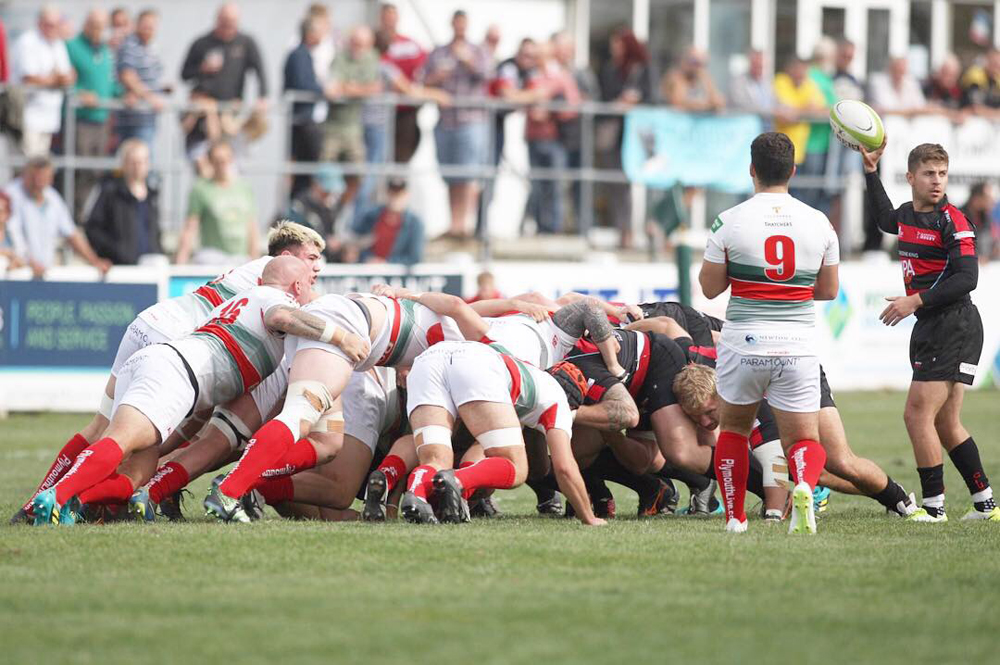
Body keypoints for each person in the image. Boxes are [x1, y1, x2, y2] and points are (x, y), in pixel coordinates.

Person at [9, 223, 325, 524]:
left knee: (105, 430)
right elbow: (310, 312)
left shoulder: (256, 270)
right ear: (287, 257)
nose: (316, 268)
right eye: (311, 258)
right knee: (139, 439)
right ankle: (74, 499)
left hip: (151, 323)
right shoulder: (280, 276)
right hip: (176, 341)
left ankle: (46, 502)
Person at [699, 132, 840, 534]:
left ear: (751, 169)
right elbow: (828, 290)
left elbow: (710, 288)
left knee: (734, 430)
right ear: (793, 170)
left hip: (744, 342)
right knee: (804, 440)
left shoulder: (729, 220)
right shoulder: (819, 222)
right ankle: (805, 486)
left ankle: (735, 518)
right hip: (797, 342)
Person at [862, 140, 998, 522]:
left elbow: (968, 277)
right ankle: (985, 504)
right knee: (945, 423)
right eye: (928, 174)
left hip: (954, 323)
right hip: (937, 325)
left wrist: (916, 301)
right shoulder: (907, 215)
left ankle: (934, 508)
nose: (937, 181)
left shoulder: (952, 221)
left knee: (916, 415)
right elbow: (884, 218)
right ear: (911, 178)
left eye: (942, 174)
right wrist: (870, 171)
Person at [400, 341, 602, 526]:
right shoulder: (559, 401)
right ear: (573, 402)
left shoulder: (532, 373)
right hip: (476, 364)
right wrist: (588, 516)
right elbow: (564, 467)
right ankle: (456, 480)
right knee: (515, 466)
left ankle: (417, 493)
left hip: (429, 359)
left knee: (435, 459)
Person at [422, 10, 491, 239]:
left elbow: (487, 75)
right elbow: (423, 81)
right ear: (452, 24)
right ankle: (454, 224)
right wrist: (438, 77)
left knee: (469, 175)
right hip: (445, 122)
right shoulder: (439, 52)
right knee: (451, 176)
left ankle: (465, 226)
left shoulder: (478, 50)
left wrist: (468, 61)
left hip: (471, 121)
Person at [3, 156, 110, 278]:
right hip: (16, 275)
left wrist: (94, 261)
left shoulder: (53, 198)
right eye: (34, 178)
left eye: (43, 179)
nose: (38, 183)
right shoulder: (10, 196)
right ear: (25, 175)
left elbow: (71, 234)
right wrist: (29, 262)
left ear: (51, 179)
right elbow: (13, 236)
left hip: (42, 273)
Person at [597, 27, 652, 248]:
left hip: (636, 136)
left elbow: (651, 96)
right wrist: (618, 102)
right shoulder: (610, 70)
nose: (614, 49)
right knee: (617, 184)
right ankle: (623, 229)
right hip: (614, 136)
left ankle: (647, 229)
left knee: (641, 182)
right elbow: (604, 96)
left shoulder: (642, 70)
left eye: (618, 44)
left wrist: (636, 101)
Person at [322, 25, 382, 222]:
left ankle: (340, 214)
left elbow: (375, 88)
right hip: (332, 127)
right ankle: (324, 214)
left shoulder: (372, 59)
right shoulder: (340, 58)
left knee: (358, 175)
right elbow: (331, 90)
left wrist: (347, 88)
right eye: (355, 43)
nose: (357, 47)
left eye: (362, 44)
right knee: (324, 174)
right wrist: (358, 89)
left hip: (354, 129)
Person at [66, 9, 118, 220]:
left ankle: (84, 216)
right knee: (79, 169)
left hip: (101, 119)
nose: (98, 31)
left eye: (102, 27)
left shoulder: (105, 51)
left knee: (96, 171)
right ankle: (72, 216)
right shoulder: (71, 47)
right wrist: (80, 93)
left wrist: (125, 93)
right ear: (86, 25)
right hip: (80, 119)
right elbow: (65, 80)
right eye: (95, 26)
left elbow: (109, 83)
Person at [175, 140, 259, 264]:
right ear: (210, 162)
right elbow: (190, 226)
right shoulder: (201, 189)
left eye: (225, 159)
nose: (222, 164)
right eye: (217, 161)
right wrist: (180, 263)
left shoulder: (244, 188)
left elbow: (251, 226)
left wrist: (255, 260)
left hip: (240, 258)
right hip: (212, 257)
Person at [10, 5, 75, 156]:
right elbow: (29, 78)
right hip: (27, 118)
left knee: (41, 162)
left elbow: (66, 74)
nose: (53, 29)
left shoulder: (57, 44)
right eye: (49, 25)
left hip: (48, 118)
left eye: (56, 25)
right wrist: (56, 80)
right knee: (27, 163)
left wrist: (63, 78)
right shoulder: (28, 41)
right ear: (40, 23)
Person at [85, 139, 161, 265]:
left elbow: (156, 233)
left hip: (149, 266)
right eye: (133, 162)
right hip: (120, 268)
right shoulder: (110, 192)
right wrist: (116, 252)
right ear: (124, 164)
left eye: (141, 162)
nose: (137, 167)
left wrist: (158, 251)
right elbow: (93, 229)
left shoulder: (152, 197)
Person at [180, 3, 268, 111]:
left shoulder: (246, 43)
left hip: (232, 105)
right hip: (203, 104)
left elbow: (260, 71)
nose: (228, 27)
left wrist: (262, 96)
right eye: (225, 22)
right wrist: (202, 68)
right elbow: (184, 75)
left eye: (231, 23)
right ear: (218, 20)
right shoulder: (201, 43)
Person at [284, 15, 329, 199]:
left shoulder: (303, 54)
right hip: (302, 120)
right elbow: (302, 84)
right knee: (305, 167)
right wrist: (324, 90)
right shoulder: (299, 55)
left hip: (303, 119)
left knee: (305, 171)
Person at [378, 3, 427, 164]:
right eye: (386, 16)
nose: (390, 20)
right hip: (379, 112)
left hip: (405, 110)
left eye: (393, 15)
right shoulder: (374, 42)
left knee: (402, 155)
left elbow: (424, 69)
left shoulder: (410, 44)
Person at [773, 57, 827, 204]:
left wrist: (797, 111)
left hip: (800, 150)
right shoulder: (781, 81)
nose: (802, 74)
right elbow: (784, 113)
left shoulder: (808, 84)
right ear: (790, 69)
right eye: (799, 70)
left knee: (800, 196)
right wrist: (804, 110)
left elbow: (820, 109)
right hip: (779, 150)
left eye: (804, 71)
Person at [116, 9, 167, 150]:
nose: (148, 30)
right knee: (139, 157)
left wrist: (162, 89)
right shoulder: (130, 45)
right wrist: (150, 97)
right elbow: (127, 75)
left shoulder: (151, 47)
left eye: (152, 27)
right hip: (135, 116)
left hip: (148, 116)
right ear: (137, 25)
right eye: (146, 26)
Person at [352, 178, 424, 265]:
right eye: (392, 193)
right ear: (387, 193)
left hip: (395, 272)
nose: (395, 198)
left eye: (399, 194)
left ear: (406, 195)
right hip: (368, 268)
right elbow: (356, 243)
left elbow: (414, 257)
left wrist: (386, 263)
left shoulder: (414, 223)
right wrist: (367, 258)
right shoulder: (371, 216)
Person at [661, 46, 725, 112]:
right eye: (695, 62)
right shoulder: (676, 77)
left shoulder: (703, 77)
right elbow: (678, 103)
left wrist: (705, 80)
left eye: (702, 64)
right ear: (685, 61)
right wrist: (707, 105)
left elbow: (718, 101)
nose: (698, 68)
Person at [729, 49, 776, 124]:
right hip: (747, 125)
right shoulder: (739, 81)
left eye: (762, 66)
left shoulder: (767, 82)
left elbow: (775, 100)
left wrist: (786, 109)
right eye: (757, 66)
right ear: (751, 64)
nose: (760, 69)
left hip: (768, 125)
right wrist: (771, 111)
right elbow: (742, 105)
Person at [963, 182, 997, 262]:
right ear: (976, 199)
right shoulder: (957, 217)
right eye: (987, 197)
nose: (992, 201)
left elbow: (993, 244)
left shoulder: (987, 219)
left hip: (986, 268)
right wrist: (976, 257)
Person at [960, 47, 1000, 115]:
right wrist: (996, 113)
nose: (998, 68)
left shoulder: (995, 80)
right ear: (987, 62)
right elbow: (975, 108)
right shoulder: (975, 78)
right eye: (995, 64)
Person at [0, 192, 23, 270]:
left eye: (1, 211)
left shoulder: (13, 235)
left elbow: (22, 258)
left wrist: (15, 261)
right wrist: (6, 253)